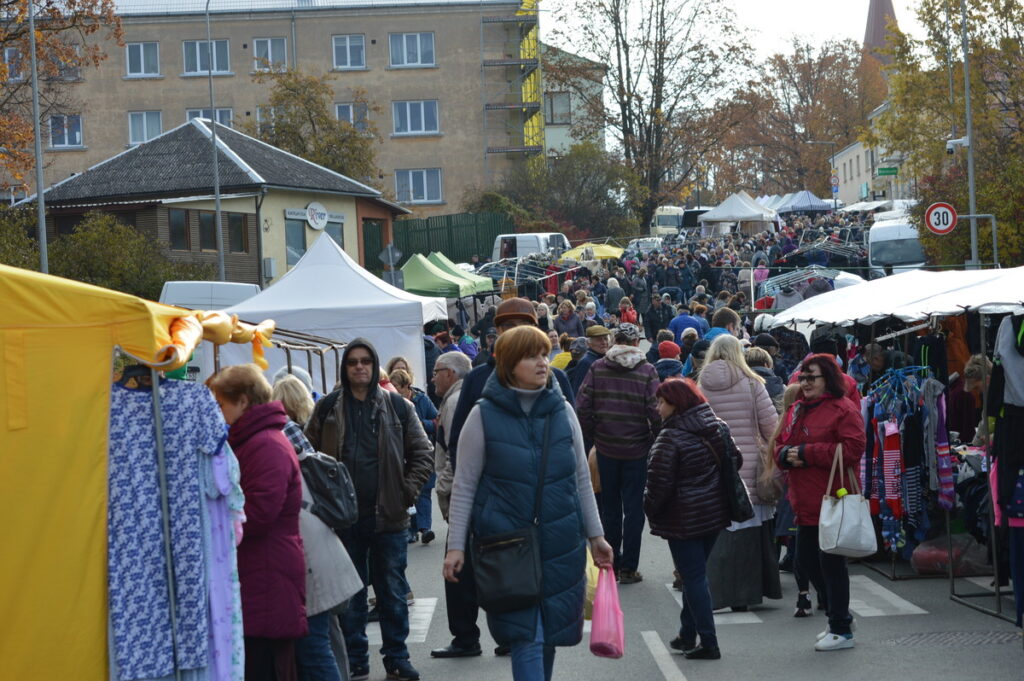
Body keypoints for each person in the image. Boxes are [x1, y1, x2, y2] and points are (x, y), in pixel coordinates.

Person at [442, 326, 614, 681]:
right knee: (526, 637)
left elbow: (581, 477)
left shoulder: (563, 411)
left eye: (544, 353)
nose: (542, 362)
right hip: (507, 545)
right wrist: (456, 546)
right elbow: (464, 485)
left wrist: (596, 536)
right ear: (508, 364)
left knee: (548, 635)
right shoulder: (482, 415)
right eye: (531, 356)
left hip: (561, 541)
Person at [444, 297, 576, 659]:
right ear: (495, 335)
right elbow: (460, 449)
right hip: (497, 512)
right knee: (466, 573)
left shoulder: (556, 381)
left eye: (522, 325)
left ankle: (515, 638)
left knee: (543, 623)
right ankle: (466, 636)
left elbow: (572, 453)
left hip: (549, 516)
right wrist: (480, 504)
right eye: (505, 326)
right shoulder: (478, 380)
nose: (512, 332)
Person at [304, 340, 434, 681]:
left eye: (365, 362)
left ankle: (397, 658)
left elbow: (423, 452)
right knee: (351, 596)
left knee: (391, 593)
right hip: (342, 519)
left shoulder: (398, 406)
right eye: (353, 362)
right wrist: (321, 501)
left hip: (388, 517)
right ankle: (356, 659)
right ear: (344, 368)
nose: (359, 367)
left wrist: (405, 491)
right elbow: (306, 456)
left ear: (374, 366)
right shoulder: (329, 407)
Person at [206, 364, 307, 681]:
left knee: (267, 664)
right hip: (264, 569)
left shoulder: (264, 443)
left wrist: (214, 525)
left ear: (243, 401)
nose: (218, 412)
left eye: (221, 404)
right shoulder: (257, 439)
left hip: (267, 570)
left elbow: (259, 514)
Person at [273, 375, 363, 681]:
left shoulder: (280, 435)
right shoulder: (298, 432)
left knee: (315, 644)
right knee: (327, 634)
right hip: (322, 540)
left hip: (308, 548)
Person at [645, 378, 741, 661]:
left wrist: (648, 508)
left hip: (683, 518)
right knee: (693, 576)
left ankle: (709, 642)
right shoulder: (717, 426)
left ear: (676, 404)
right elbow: (735, 460)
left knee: (694, 578)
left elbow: (658, 485)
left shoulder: (670, 437)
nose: (657, 408)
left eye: (661, 402)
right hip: (715, 513)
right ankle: (687, 634)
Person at [775, 354, 866, 651]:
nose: (805, 383)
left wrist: (805, 453)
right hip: (803, 500)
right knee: (806, 560)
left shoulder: (843, 409)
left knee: (831, 565)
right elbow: (781, 441)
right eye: (802, 377)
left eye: (811, 377)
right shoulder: (798, 407)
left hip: (831, 499)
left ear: (828, 378)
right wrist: (783, 455)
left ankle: (840, 627)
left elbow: (853, 449)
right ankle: (838, 617)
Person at [697, 335, 781, 611]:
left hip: (713, 467)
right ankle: (744, 595)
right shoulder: (752, 384)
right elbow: (771, 427)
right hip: (748, 466)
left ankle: (716, 590)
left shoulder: (700, 386)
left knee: (720, 530)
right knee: (749, 532)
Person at [576, 323, 660, 584]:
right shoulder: (647, 370)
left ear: (615, 341)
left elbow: (582, 406)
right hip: (637, 450)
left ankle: (611, 563)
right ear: (636, 343)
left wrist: (595, 435)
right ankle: (629, 568)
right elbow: (655, 411)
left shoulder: (598, 367)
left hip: (606, 448)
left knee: (610, 507)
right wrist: (653, 439)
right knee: (634, 509)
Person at [389, 368, 440, 545]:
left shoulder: (422, 399)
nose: (393, 389)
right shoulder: (391, 402)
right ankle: (411, 530)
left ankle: (425, 529)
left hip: (422, 452)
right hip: (400, 454)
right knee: (408, 492)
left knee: (424, 491)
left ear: (406, 386)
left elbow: (437, 422)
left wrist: (421, 424)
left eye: (396, 386)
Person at [568, 325, 611, 393]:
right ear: (588, 343)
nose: (604, 342)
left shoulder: (607, 358)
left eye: (605, 338)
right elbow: (579, 391)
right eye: (599, 340)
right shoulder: (586, 362)